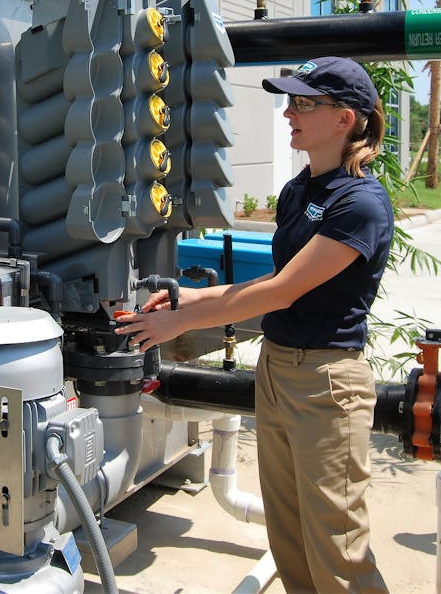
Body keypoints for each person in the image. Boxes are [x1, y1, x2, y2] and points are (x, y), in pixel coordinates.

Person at [115, 56, 392, 593]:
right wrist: (192, 295)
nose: (290, 112)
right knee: (289, 538)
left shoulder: (360, 202)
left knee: (337, 545)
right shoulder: (298, 192)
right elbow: (279, 277)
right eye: (289, 101)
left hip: (327, 385)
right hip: (278, 370)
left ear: (346, 119)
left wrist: (181, 323)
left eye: (306, 103)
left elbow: (282, 292)